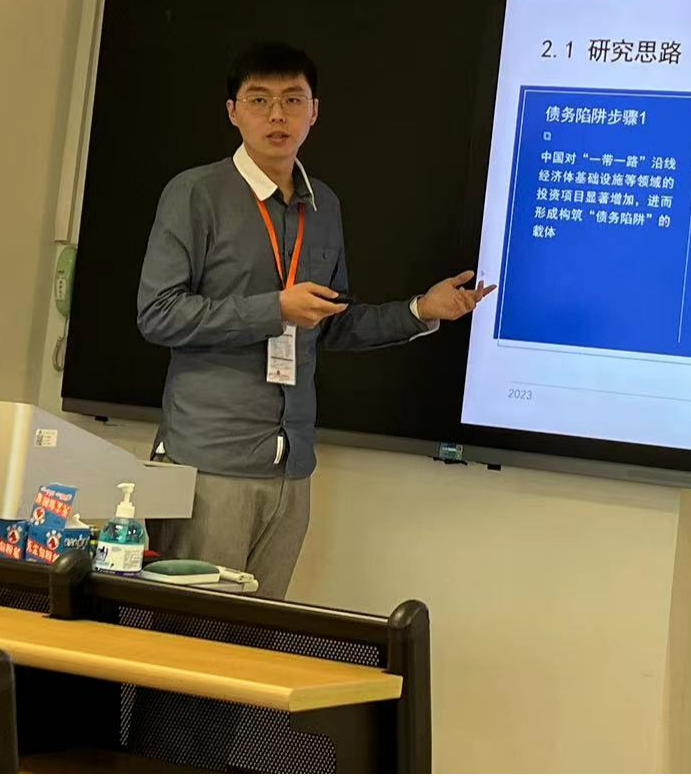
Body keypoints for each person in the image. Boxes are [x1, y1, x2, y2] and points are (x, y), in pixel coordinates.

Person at [136, 41, 495, 598]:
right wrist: (274, 308)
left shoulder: (323, 204)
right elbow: (158, 314)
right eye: (259, 100)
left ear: (314, 111)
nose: (277, 115)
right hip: (209, 463)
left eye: (292, 100)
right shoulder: (195, 194)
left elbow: (331, 321)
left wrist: (421, 311)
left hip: (291, 467)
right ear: (233, 111)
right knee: (191, 636)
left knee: (260, 638)